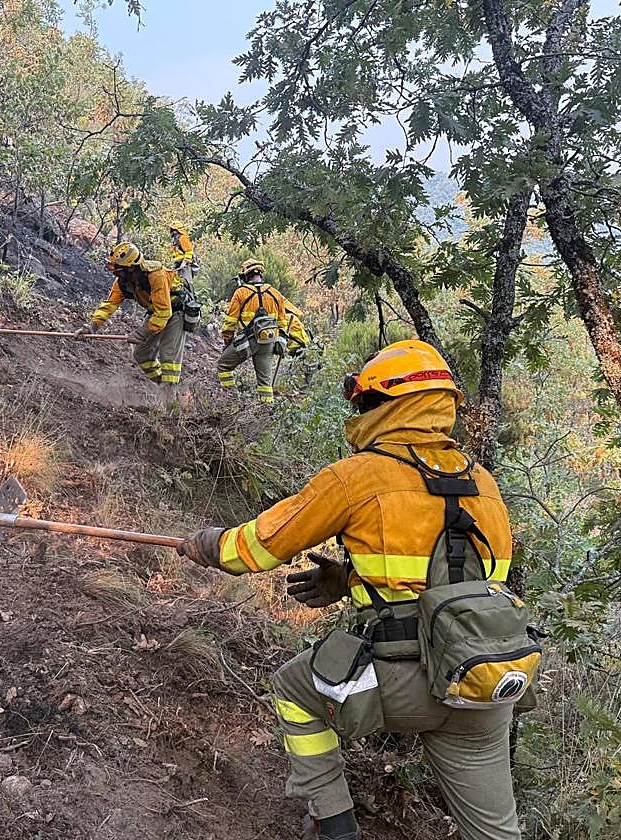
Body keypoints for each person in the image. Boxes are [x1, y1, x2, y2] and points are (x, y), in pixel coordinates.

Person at [176, 340, 524, 840]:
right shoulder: (484, 484)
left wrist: (210, 545)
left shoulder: (359, 475)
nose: (359, 413)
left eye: (363, 402)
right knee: (494, 831)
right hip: (483, 680)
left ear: (387, 406)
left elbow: (257, 549)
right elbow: (459, 586)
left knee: (294, 690)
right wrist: (349, 581)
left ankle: (333, 823)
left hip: (400, 681)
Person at [77, 242, 186, 397]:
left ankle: (172, 412)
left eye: (118, 270)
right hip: (156, 312)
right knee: (142, 354)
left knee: (169, 361)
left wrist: (143, 333)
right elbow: (109, 305)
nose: (115, 273)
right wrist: (92, 327)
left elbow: (164, 312)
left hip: (175, 313)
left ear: (132, 268)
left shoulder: (156, 275)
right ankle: (168, 388)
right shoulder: (123, 282)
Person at [217, 259, 309, 403]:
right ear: (260, 273)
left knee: (223, 366)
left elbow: (230, 322)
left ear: (246, 275)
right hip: (268, 342)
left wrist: (227, 340)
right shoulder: (275, 293)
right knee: (265, 385)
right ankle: (265, 413)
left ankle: (231, 401)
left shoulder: (241, 293)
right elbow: (282, 322)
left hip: (247, 341)